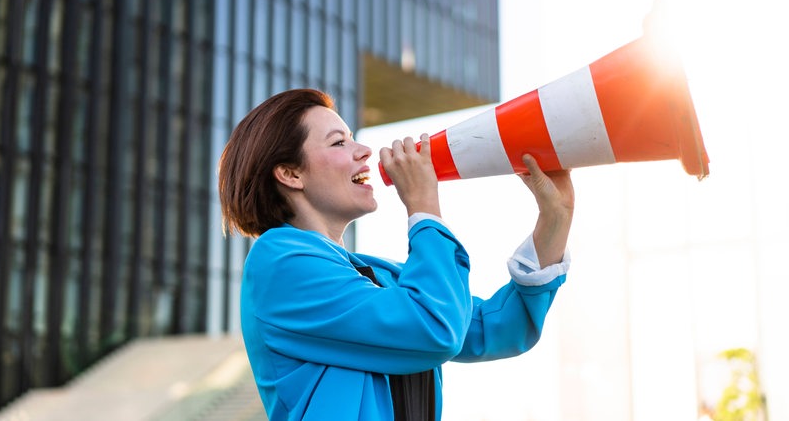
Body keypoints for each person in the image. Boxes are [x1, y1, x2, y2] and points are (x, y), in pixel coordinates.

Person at [218, 88, 574, 421]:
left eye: (353, 138)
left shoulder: (376, 276)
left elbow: (495, 328)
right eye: (339, 142)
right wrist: (423, 210)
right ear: (291, 173)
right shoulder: (279, 262)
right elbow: (435, 327)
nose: (363, 151)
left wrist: (555, 218)